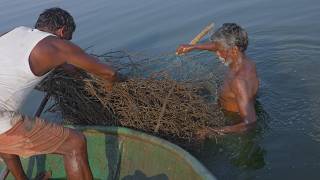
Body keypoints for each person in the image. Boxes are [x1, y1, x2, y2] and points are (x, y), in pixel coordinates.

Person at [0, 7, 117, 180]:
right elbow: (109, 73)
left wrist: (65, 64)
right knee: (75, 144)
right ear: (62, 31)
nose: (67, 43)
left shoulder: (15, 32)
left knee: (6, 138)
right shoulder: (56, 45)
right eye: (68, 39)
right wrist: (109, 90)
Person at [176, 23, 259, 134]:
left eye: (219, 50)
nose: (217, 53)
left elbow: (250, 123)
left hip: (232, 121)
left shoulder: (238, 81)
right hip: (231, 107)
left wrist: (211, 131)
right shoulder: (247, 63)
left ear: (234, 50)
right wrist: (193, 47)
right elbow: (218, 45)